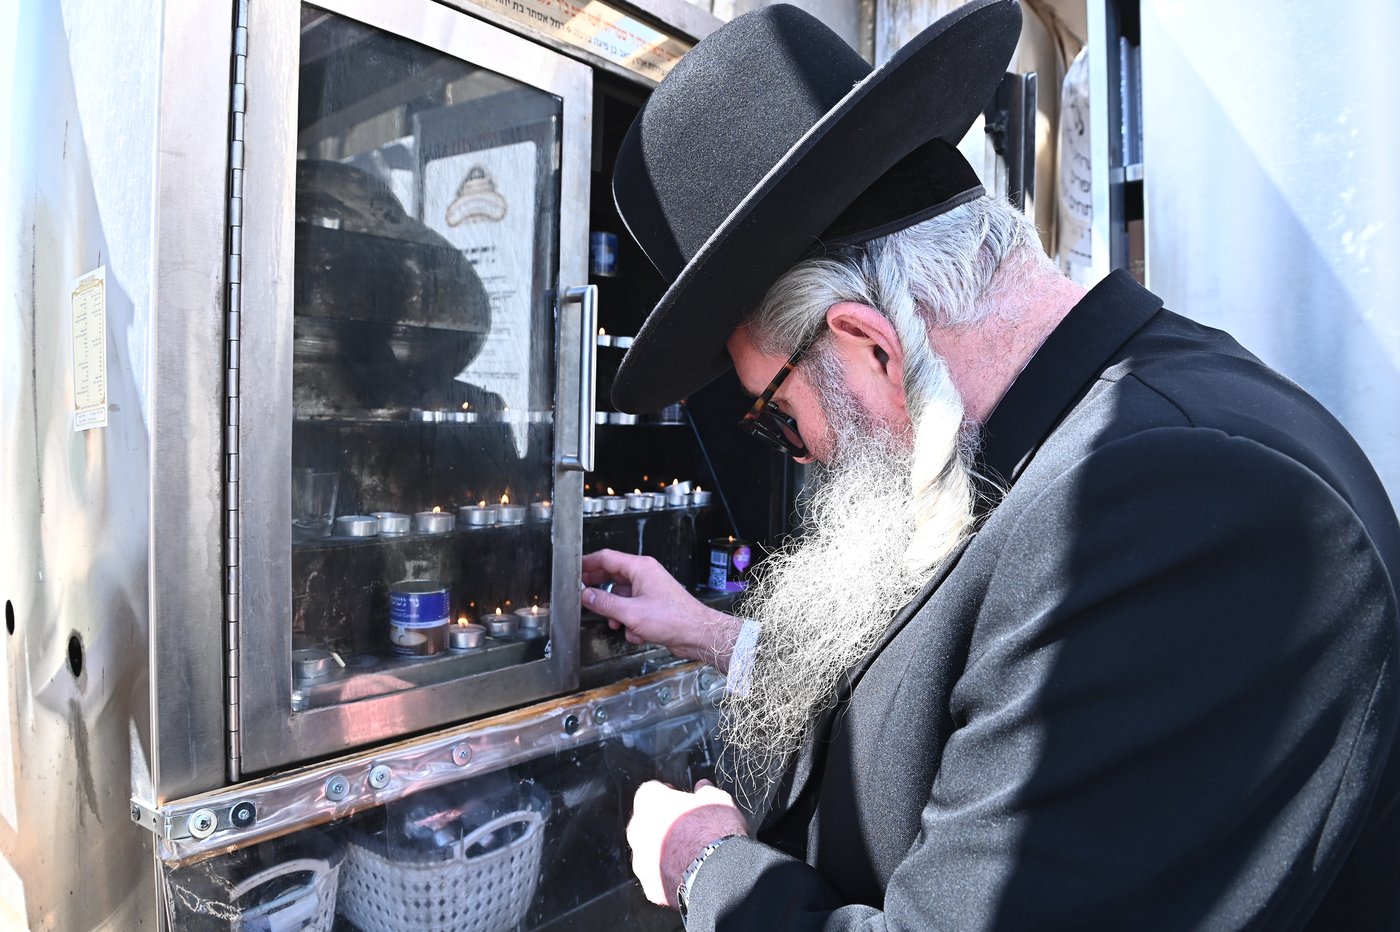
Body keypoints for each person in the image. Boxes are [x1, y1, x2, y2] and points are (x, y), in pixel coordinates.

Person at [580, 1, 1400, 928]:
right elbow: (966, 673)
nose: (800, 456)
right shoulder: (1046, 441)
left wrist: (706, 869)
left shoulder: (1179, 510)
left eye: (778, 418)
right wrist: (721, 637)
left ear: (868, 349)